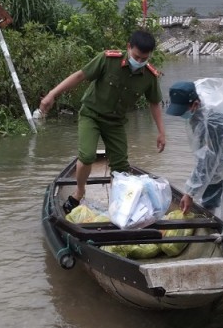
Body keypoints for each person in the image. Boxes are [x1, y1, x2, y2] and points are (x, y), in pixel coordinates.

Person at [38, 30, 166, 213]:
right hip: (91, 115)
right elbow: (79, 76)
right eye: (136, 57)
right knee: (87, 156)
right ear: (128, 47)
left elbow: (154, 103)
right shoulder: (108, 60)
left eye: (144, 59)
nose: (139, 62)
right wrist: (52, 94)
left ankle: (118, 206)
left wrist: (161, 132)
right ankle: (79, 192)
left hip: (116, 123)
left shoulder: (149, 76)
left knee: (121, 169)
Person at [165, 78, 223, 235]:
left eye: (183, 110)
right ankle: (210, 224)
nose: (182, 115)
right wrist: (192, 190)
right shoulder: (195, 109)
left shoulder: (211, 119)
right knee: (211, 180)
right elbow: (204, 156)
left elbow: (208, 159)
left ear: (195, 104)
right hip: (218, 138)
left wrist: (190, 192)